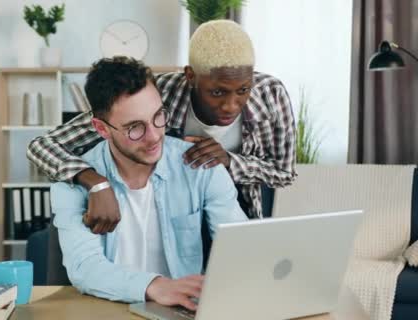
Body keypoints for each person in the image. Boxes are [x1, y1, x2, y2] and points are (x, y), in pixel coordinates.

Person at [29, 20, 296, 234]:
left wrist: (229, 161)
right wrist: (95, 182)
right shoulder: (159, 94)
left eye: (243, 90)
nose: (231, 106)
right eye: (217, 92)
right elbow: (42, 146)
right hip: (176, 213)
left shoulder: (271, 94)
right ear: (190, 75)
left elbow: (284, 173)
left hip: (239, 207)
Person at [51, 56, 247, 309]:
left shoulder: (200, 167)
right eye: (135, 127)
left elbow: (240, 247)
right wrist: (155, 286)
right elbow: (84, 268)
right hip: (108, 309)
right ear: (102, 129)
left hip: (182, 310)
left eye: (158, 116)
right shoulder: (71, 182)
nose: (154, 137)